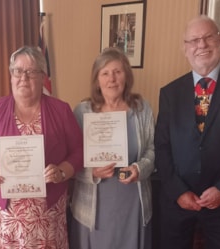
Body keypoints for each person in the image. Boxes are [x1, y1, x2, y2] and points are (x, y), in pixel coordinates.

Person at [0, 46, 83, 248]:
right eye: (18, 71)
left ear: (42, 77)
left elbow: (79, 152)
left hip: (48, 216)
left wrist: (62, 173)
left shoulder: (61, 110)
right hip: (6, 216)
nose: (23, 77)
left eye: (31, 71)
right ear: (11, 76)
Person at [155, 15, 220, 249]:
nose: (201, 45)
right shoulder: (170, 93)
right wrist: (178, 191)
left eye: (207, 37)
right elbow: (162, 147)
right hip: (178, 203)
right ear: (185, 49)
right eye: (194, 40)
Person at [69, 47, 155, 249]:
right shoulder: (82, 112)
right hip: (94, 206)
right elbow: (71, 158)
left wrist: (139, 169)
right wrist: (92, 172)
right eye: (105, 73)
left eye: (118, 72)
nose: (112, 79)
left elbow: (153, 149)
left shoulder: (142, 108)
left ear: (127, 76)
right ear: (97, 79)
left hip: (133, 202)